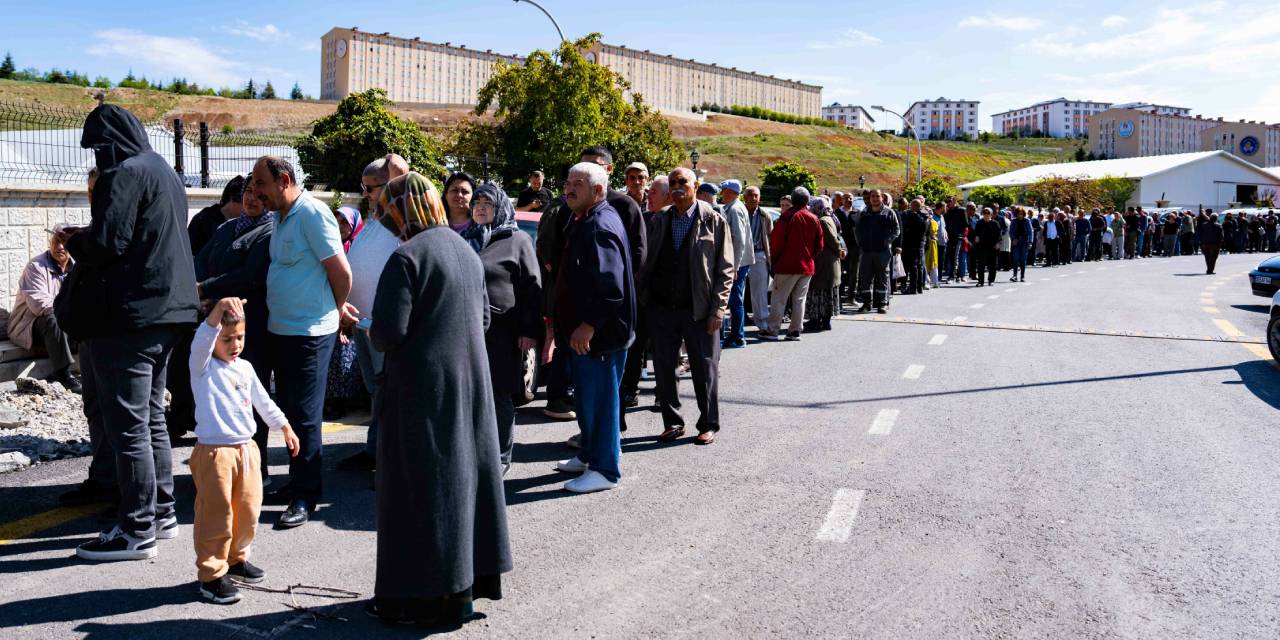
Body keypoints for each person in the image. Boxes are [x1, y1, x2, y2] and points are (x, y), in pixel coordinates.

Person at [367, 172, 512, 625]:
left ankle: (418, 599)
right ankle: (461, 594)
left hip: (421, 393)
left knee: (420, 494)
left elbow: (389, 333)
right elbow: (484, 319)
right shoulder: (464, 251)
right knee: (463, 487)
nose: (383, 219)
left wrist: (364, 325)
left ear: (400, 211)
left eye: (386, 211)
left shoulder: (406, 257)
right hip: (470, 385)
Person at [66, 104, 199, 561]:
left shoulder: (122, 174)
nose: (99, 156)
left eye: (99, 147)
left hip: (129, 317)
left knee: (127, 425)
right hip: (169, 312)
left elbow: (107, 243)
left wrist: (73, 240)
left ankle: (136, 529)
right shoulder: (164, 171)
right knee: (151, 418)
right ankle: (162, 513)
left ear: (112, 142)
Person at [254, 156, 351, 529]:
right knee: (291, 412)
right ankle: (297, 481)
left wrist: (334, 312)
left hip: (311, 333)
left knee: (306, 417)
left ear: (284, 179)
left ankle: (306, 494)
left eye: (261, 183)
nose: (257, 192)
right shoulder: (280, 217)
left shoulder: (312, 214)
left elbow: (341, 272)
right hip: (283, 330)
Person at [189, 297, 300, 605]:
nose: (235, 344)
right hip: (215, 453)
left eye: (240, 337)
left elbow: (264, 402)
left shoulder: (246, 368)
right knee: (216, 515)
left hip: (246, 450)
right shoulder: (203, 366)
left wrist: (285, 426)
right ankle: (211, 575)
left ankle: (236, 559)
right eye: (226, 339)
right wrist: (217, 311)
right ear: (213, 339)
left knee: (248, 511)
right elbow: (204, 337)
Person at [552, 162, 635, 492]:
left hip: (599, 336)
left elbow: (610, 288)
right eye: (568, 181)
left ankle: (604, 469)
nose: (569, 188)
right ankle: (589, 454)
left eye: (579, 184)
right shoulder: (583, 218)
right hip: (586, 335)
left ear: (599, 190)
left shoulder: (599, 225)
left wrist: (588, 325)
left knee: (600, 402)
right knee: (587, 399)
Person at [642, 167, 733, 445]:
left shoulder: (714, 222)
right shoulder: (659, 220)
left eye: (683, 182)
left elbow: (726, 270)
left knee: (705, 368)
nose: (678, 187)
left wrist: (718, 309)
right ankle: (672, 422)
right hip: (662, 308)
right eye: (673, 183)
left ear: (696, 186)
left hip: (700, 310)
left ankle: (708, 424)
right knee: (665, 368)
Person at [194, 180, 274, 486]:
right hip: (216, 322)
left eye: (258, 193)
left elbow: (250, 276)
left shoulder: (269, 231)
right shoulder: (226, 229)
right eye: (248, 193)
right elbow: (200, 262)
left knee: (249, 395)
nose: (252, 199)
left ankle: (257, 468)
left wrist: (205, 288)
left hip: (249, 326)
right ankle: (221, 468)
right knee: (218, 394)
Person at [466, 184, 542, 473]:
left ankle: (499, 456)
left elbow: (532, 288)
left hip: (503, 330)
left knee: (499, 394)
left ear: (501, 206)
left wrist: (529, 331)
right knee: (470, 393)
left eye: (488, 202)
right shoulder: (466, 238)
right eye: (477, 202)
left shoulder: (517, 239)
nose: (481, 207)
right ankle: (473, 450)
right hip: (466, 329)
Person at [336, 158, 403, 473]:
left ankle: (388, 457)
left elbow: (403, 176)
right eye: (363, 187)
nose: (365, 193)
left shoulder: (398, 220)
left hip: (380, 324)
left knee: (387, 392)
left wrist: (393, 170)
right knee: (376, 392)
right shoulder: (374, 220)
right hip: (361, 322)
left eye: (371, 187)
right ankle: (375, 450)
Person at [56, 170, 117, 509]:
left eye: (99, 190)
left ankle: (121, 487)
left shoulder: (115, 226)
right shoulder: (96, 226)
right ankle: (104, 476)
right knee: (95, 407)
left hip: (111, 333)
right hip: (90, 332)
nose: (93, 197)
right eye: (90, 191)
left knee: (116, 412)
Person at [10, 224, 81, 392]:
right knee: (53, 317)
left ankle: (95, 366)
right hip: (30, 325)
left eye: (64, 242)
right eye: (56, 241)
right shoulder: (36, 266)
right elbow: (39, 305)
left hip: (66, 322)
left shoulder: (78, 266)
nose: (60, 247)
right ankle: (63, 374)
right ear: (50, 242)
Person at [765, 187, 823, 339]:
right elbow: (819, 245)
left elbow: (776, 242)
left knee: (779, 298)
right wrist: (810, 256)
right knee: (799, 300)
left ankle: (773, 330)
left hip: (787, 265)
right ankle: (795, 330)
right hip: (806, 265)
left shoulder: (787, 217)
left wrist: (775, 260)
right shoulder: (814, 218)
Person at [718, 179, 753, 348]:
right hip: (739, 261)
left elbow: (738, 240)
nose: (721, 193)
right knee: (735, 299)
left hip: (738, 262)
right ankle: (736, 336)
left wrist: (735, 266)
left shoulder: (735, 209)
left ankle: (738, 337)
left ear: (730, 191)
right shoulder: (734, 207)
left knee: (735, 301)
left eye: (723, 190)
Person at [855, 190, 899, 313]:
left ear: (882, 198)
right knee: (865, 278)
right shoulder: (864, 213)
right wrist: (860, 242)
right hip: (867, 251)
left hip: (883, 252)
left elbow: (896, 230)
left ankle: (882, 303)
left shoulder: (889, 212)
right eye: (872, 196)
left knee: (882, 278)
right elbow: (857, 230)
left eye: (877, 196)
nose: (874, 198)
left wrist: (887, 241)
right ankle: (866, 303)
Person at [803, 196, 843, 332]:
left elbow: (832, 240)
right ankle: (824, 322)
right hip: (829, 262)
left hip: (824, 263)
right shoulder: (829, 218)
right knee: (827, 293)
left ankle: (817, 321)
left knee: (819, 292)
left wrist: (839, 251)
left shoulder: (822, 221)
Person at [187, 176, 247, 257]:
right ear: (233, 200)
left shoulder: (246, 223)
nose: (248, 210)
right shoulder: (203, 220)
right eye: (245, 204)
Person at [899, 198, 928, 295]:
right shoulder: (919, 215)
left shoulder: (919, 216)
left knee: (914, 266)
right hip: (913, 244)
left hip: (915, 244)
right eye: (912, 205)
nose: (912, 207)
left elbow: (921, 227)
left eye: (914, 205)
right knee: (915, 266)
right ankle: (917, 287)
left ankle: (913, 287)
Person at [971, 208, 1002, 287]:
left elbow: (999, 235)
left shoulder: (995, 223)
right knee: (981, 265)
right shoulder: (979, 223)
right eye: (984, 213)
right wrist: (976, 237)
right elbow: (976, 233)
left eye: (988, 213)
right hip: (982, 246)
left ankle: (991, 280)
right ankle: (980, 281)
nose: (986, 215)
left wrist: (998, 243)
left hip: (992, 246)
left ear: (991, 214)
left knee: (992, 265)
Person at [1009, 208, 1032, 282]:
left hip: (1024, 242)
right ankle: (1014, 275)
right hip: (1016, 242)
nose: (1020, 215)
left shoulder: (1027, 221)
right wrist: (1013, 239)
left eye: (1021, 213)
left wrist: (1030, 242)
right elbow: (1011, 232)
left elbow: (1030, 232)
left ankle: (1022, 276)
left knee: (1023, 259)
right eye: (1019, 213)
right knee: (1015, 258)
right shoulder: (1014, 221)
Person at [1201, 208, 1222, 274]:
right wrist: (1221, 243)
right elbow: (1221, 236)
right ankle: (1210, 270)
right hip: (1215, 244)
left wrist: (1202, 242)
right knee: (1213, 257)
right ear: (1216, 218)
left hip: (1205, 243)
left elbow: (1201, 234)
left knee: (1207, 257)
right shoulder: (1219, 226)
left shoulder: (1204, 225)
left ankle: (1209, 269)